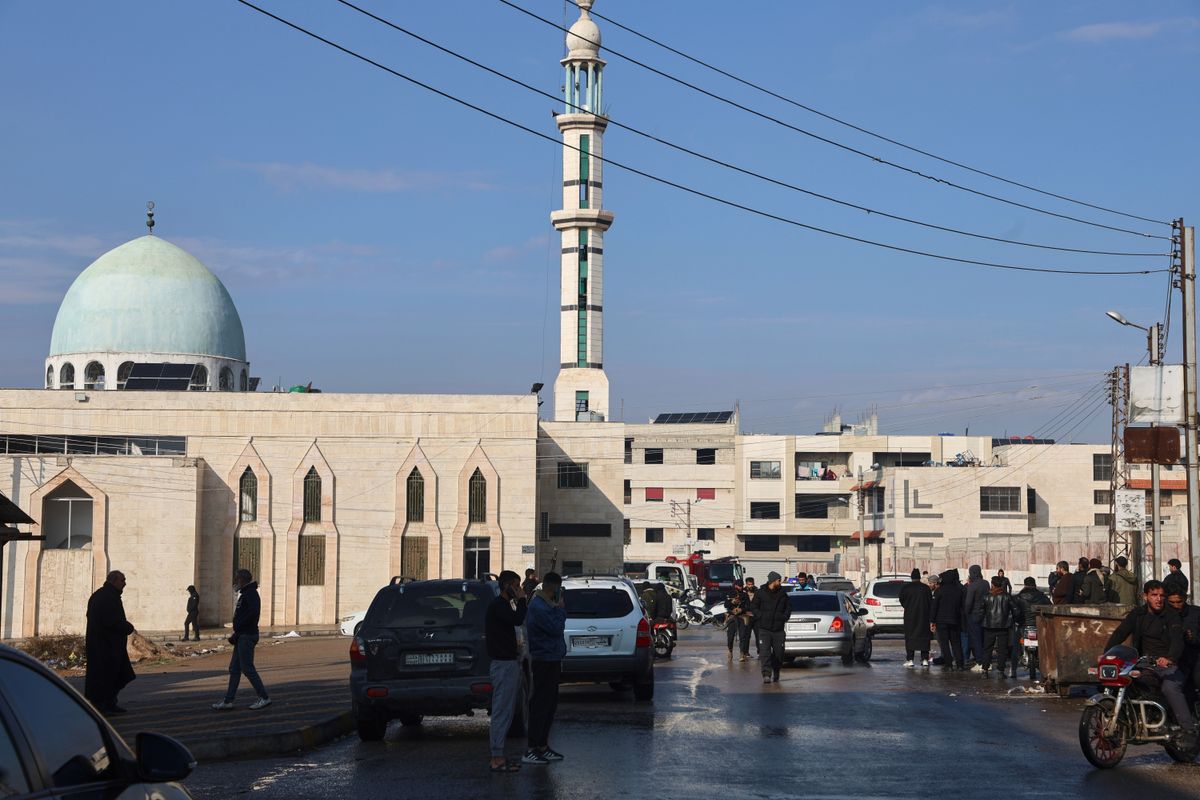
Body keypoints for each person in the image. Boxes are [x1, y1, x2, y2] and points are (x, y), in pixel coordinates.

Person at [1106, 580, 1194, 737]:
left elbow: (1177, 640)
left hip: (1171, 664)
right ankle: (1135, 719)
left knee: (1169, 687)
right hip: (1144, 663)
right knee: (1124, 681)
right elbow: (1120, 633)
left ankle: (1188, 729)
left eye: (1161, 595)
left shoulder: (1172, 615)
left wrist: (1169, 658)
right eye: (1154, 595)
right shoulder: (1138, 614)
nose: (1159, 599)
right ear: (1145, 596)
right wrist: (1107, 653)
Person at [485, 570, 527, 773]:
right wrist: (522, 600)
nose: (518, 590)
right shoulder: (498, 606)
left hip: (509, 662)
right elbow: (518, 619)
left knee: (508, 710)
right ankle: (496, 757)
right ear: (507, 586)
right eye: (516, 586)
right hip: (502, 665)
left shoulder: (504, 605)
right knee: (501, 711)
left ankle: (500, 755)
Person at [212, 569, 270, 711]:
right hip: (241, 635)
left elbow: (253, 613)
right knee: (234, 668)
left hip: (247, 636)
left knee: (247, 668)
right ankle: (228, 700)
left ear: (242, 580)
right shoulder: (245, 594)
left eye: (236, 579)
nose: (235, 581)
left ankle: (264, 697)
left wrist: (241, 627)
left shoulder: (251, 593)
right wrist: (236, 633)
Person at [524, 571, 566, 765]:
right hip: (544, 658)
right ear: (554, 588)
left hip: (552, 657)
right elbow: (555, 628)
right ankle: (532, 747)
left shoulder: (546, 604)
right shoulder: (539, 606)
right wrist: (560, 609)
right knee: (541, 703)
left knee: (550, 703)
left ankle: (542, 745)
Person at [85, 570, 136, 715]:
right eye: (122, 580)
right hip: (104, 647)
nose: (124, 583)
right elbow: (111, 621)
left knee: (117, 675)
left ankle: (110, 703)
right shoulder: (105, 597)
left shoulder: (107, 595)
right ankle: (101, 705)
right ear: (114, 581)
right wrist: (127, 627)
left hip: (110, 646)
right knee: (105, 677)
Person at [748, 571, 791, 684]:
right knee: (765, 653)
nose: (780, 582)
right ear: (773, 581)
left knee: (779, 653)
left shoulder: (782, 593)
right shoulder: (760, 593)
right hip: (764, 629)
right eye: (778, 580)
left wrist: (784, 617)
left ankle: (776, 671)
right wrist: (761, 616)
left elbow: (788, 607)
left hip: (778, 629)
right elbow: (753, 607)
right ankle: (766, 674)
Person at [1166, 586, 1200, 705]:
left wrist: (1192, 638)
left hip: (1195, 656)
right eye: (1172, 602)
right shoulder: (1164, 615)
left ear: (1185, 599)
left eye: (1179, 602)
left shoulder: (1196, 613)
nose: (1176, 606)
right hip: (1175, 659)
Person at [1014, 577, 1052, 681]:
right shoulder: (1042, 596)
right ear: (1034, 584)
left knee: (1016, 644)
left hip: (1024, 624)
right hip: (1038, 624)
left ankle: (1014, 668)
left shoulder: (1019, 597)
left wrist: (1018, 620)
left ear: (1025, 584)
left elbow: (1015, 611)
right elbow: (1050, 608)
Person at [930, 569, 965, 671]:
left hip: (941, 621)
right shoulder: (958, 590)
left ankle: (949, 664)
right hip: (955, 620)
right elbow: (962, 607)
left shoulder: (939, 591)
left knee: (944, 644)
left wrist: (932, 621)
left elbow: (934, 607)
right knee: (956, 643)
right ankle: (960, 664)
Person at [980, 577, 1014, 678]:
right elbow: (1015, 609)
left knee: (987, 649)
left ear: (992, 584)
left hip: (989, 626)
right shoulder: (1007, 596)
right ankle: (1000, 671)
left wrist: (982, 620)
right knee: (1002, 649)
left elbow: (981, 611)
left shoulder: (986, 596)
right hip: (1003, 626)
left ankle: (985, 670)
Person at [899, 568, 932, 668]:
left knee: (910, 637)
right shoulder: (926, 588)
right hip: (924, 616)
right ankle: (925, 659)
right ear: (919, 577)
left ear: (911, 577)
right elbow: (930, 601)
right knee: (924, 637)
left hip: (910, 616)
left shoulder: (906, 588)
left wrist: (908, 606)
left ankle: (910, 659)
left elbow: (902, 600)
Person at [962, 565, 988, 669]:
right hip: (985, 614)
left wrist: (966, 613)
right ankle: (986, 660)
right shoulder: (986, 583)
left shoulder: (972, 586)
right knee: (984, 638)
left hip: (974, 614)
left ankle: (980, 661)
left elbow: (968, 603)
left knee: (976, 638)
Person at [724, 581, 750, 661]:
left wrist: (741, 609)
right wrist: (732, 603)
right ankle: (730, 650)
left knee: (743, 636)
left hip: (742, 617)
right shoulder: (730, 593)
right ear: (735, 586)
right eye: (739, 586)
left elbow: (748, 606)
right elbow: (726, 605)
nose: (740, 587)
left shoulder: (745, 595)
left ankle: (742, 653)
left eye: (741, 586)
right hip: (732, 617)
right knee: (730, 636)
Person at [744, 579, 760, 656]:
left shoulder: (757, 591)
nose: (750, 586)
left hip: (756, 617)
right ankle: (745, 652)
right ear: (746, 584)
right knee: (746, 635)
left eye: (751, 584)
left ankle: (759, 652)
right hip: (747, 616)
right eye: (749, 584)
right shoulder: (743, 592)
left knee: (758, 635)